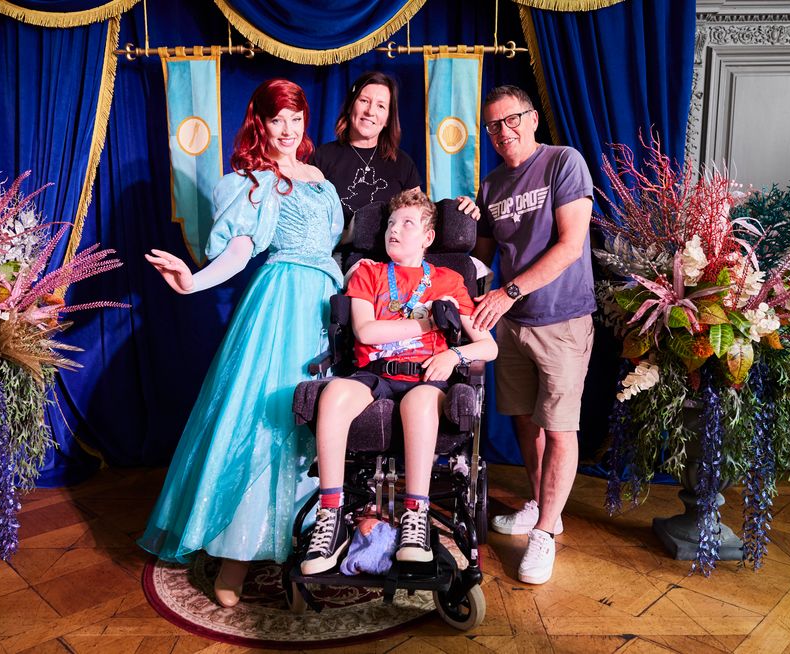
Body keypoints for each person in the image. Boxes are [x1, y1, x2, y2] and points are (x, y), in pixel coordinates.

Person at [138, 79, 344, 607]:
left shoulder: (320, 178)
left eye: (296, 118)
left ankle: (302, 553)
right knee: (263, 421)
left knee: (318, 428)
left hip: (327, 307)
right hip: (280, 307)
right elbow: (239, 252)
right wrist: (194, 281)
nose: (288, 129)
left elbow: (332, 246)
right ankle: (236, 556)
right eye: (277, 119)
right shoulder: (252, 181)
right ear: (260, 122)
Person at [300, 188, 497, 575]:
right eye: (391, 223)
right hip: (374, 374)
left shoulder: (450, 281)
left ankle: (415, 518)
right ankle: (331, 515)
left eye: (407, 223)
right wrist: (429, 322)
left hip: (424, 376)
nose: (395, 229)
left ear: (427, 237)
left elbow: (488, 347)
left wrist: (453, 354)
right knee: (335, 393)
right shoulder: (368, 273)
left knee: (421, 403)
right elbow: (367, 332)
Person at [471, 85, 595, 585]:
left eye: (512, 119)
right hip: (515, 325)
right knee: (526, 422)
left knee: (560, 426)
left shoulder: (564, 163)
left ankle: (544, 533)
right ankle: (544, 504)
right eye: (494, 126)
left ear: (533, 118)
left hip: (562, 318)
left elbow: (570, 246)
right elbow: (481, 261)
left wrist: (507, 292)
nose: (504, 132)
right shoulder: (492, 185)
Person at [312, 70, 479, 234]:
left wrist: (457, 209)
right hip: (336, 256)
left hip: (389, 257)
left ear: (387, 119)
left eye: (381, 106)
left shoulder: (402, 163)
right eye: (364, 101)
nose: (370, 111)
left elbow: (423, 217)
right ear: (350, 106)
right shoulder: (322, 158)